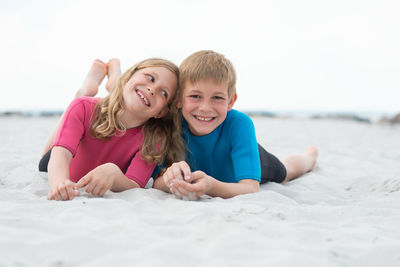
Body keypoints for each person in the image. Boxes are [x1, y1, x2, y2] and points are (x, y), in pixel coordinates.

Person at [153, 50, 318, 199]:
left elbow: (251, 189)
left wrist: (210, 186)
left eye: (217, 98)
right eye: (195, 96)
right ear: (179, 99)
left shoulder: (239, 124)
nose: (204, 108)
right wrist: (171, 178)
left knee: (287, 171)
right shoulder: (170, 125)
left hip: (249, 159)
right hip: (215, 172)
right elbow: (156, 182)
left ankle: (309, 158)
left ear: (231, 101)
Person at [39, 58, 184, 201]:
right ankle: (87, 89)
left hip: (122, 103)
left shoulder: (154, 140)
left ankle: (115, 81)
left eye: (163, 93)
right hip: (62, 158)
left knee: (125, 100)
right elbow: (60, 154)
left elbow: (135, 184)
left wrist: (115, 175)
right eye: (150, 78)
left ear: (161, 112)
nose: (152, 90)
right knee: (45, 160)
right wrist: (59, 183)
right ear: (129, 75)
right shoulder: (83, 107)